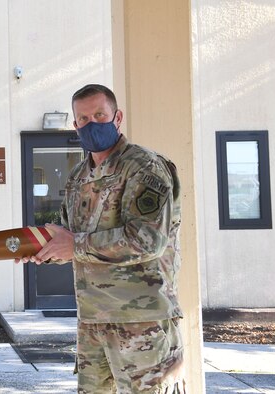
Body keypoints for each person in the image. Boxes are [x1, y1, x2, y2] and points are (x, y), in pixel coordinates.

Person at [18, 84, 185, 393]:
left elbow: (149, 239)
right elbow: (70, 238)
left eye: (99, 114)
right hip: (93, 319)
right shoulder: (78, 176)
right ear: (75, 125)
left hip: (141, 321)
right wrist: (42, 248)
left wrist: (75, 245)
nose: (91, 123)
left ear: (117, 117)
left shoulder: (145, 167)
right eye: (83, 118)